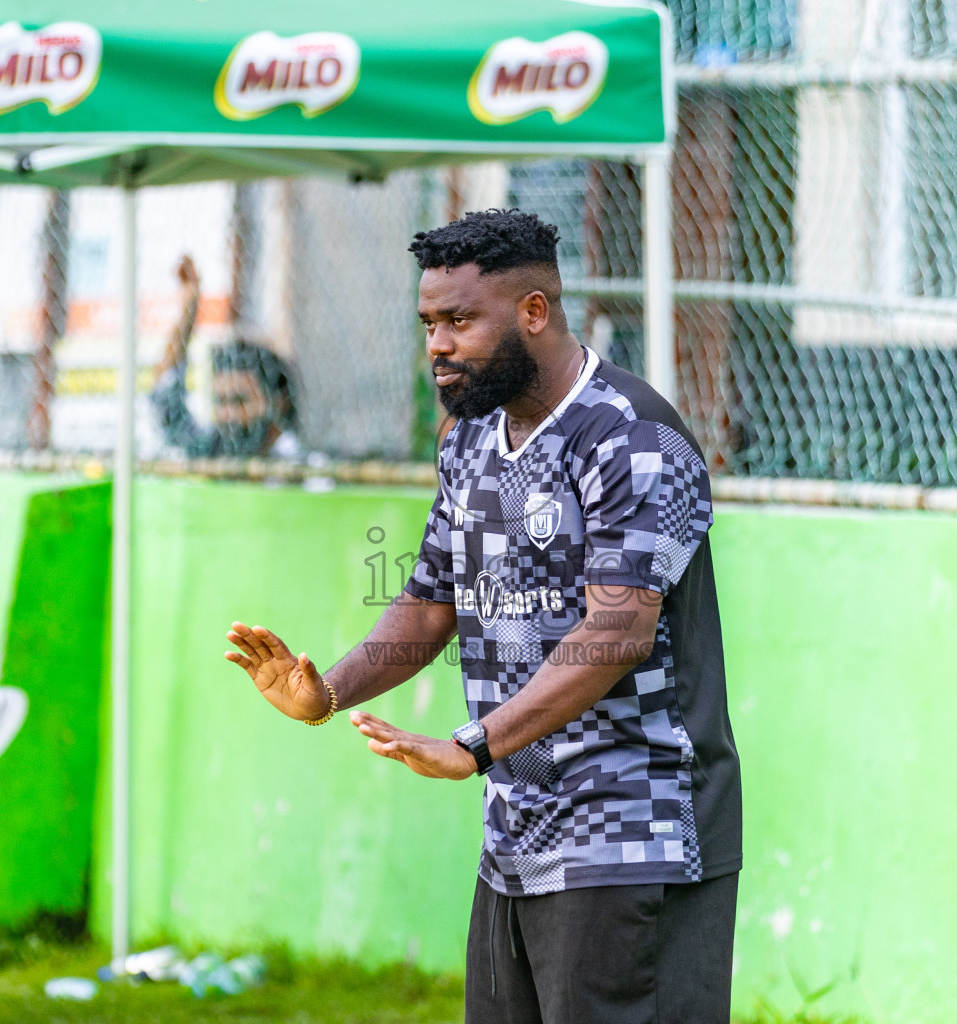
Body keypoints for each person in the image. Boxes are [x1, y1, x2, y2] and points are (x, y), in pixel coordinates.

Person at [225, 209, 742, 1022]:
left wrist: (475, 743)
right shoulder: (470, 439)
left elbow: (617, 630)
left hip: (634, 831)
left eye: (460, 320)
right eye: (429, 322)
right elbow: (432, 601)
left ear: (533, 312)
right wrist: (327, 692)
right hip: (517, 830)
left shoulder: (630, 436)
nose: (437, 343)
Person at [150, 255, 299, 459]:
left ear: (279, 405)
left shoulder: (299, 469)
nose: (227, 415)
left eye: (239, 401)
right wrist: (187, 314)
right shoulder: (213, 453)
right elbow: (165, 398)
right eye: (220, 402)